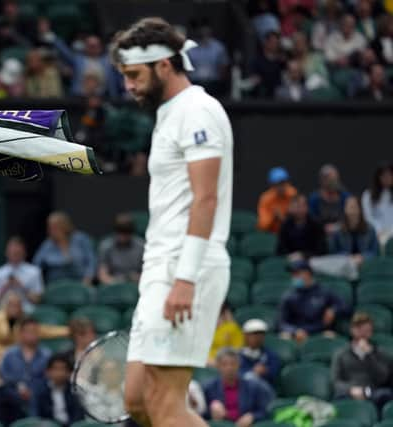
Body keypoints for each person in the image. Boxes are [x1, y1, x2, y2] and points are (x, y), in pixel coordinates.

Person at [111, 17, 234, 427]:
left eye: (133, 75)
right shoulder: (171, 113)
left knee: (165, 404)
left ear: (164, 65)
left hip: (185, 268)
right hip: (159, 268)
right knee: (138, 399)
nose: (127, 86)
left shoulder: (198, 111)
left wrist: (185, 278)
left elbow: (207, 198)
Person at [331, 312, 393, 409]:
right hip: (350, 391)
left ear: (371, 332)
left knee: (385, 395)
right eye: (359, 329)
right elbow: (336, 381)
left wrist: (369, 355)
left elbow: (383, 378)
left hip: (373, 392)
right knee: (339, 397)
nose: (363, 333)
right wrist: (351, 390)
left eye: (367, 330)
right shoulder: (341, 354)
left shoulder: (380, 353)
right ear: (352, 330)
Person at [279, 259, 349, 343]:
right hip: (298, 335)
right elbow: (281, 323)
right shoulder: (289, 296)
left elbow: (346, 307)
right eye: (293, 274)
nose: (294, 277)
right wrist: (294, 331)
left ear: (307, 274)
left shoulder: (324, 292)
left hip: (320, 332)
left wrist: (334, 310)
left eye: (297, 274)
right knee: (284, 337)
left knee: (330, 335)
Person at [0, 291, 69, 357]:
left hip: (19, 357)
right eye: (12, 305)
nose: (16, 308)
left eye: (18, 305)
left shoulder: (24, 320)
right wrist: (6, 352)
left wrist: (68, 330)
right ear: (5, 305)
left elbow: (44, 330)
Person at [204, 348, 274, 427]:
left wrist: (252, 416)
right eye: (224, 364)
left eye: (233, 364)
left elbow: (265, 411)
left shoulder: (252, 386)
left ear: (239, 365)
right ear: (218, 366)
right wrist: (211, 411)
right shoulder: (210, 388)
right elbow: (202, 414)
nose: (229, 368)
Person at [33, 211, 96, 285]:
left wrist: (88, 279)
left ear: (65, 226)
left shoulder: (81, 239)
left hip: (81, 282)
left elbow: (92, 261)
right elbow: (36, 266)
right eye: (50, 227)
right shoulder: (47, 244)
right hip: (55, 284)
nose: (51, 230)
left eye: (55, 227)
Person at [0, 317, 52, 405]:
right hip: (13, 399)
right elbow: (3, 377)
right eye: (29, 331)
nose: (32, 334)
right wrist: (19, 388)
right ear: (20, 333)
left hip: (40, 399)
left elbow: (49, 380)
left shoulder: (47, 355)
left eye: (35, 331)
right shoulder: (9, 355)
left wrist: (33, 391)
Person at [0, 236, 44, 312]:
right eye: (12, 251)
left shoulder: (34, 271)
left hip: (26, 311)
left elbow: (37, 300)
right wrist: (6, 286)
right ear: (6, 252)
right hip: (3, 311)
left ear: (24, 252)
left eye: (17, 252)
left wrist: (21, 286)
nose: (14, 253)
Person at [32, 353, 85, 425]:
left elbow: (78, 416)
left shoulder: (75, 391)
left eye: (63, 369)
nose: (59, 373)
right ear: (47, 372)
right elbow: (36, 417)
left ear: (69, 373)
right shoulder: (40, 391)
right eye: (55, 369)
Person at [328, 196, 380, 264]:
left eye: (354, 207)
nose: (352, 211)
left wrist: (362, 257)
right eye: (350, 207)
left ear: (360, 209)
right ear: (345, 209)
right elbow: (333, 252)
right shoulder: (338, 230)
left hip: (365, 264)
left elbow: (375, 252)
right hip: (344, 264)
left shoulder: (370, 229)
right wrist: (348, 257)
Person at [97, 213, 145, 285]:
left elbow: (148, 272)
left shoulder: (141, 246)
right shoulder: (106, 246)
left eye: (126, 231)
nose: (123, 236)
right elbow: (102, 275)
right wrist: (117, 282)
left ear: (131, 231)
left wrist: (137, 278)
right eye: (120, 231)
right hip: (113, 283)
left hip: (137, 283)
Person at [277, 194, 327, 259]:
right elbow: (280, 250)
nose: (299, 209)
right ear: (290, 208)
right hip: (291, 260)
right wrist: (290, 256)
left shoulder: (316, 224)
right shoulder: (285, 225)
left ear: (307, 207)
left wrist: (304, 255)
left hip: (313, 260)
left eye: (302, 206)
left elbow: (322, 250)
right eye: (296, 206)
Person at [186, 23, 229, 96]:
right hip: (194, 83)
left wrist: (221, 83)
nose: (204, 34)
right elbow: (186, 69)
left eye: (206, 32)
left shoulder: (218, 47)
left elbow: (224, 67)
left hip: (213, 83)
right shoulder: (189, 47)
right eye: (201, 32)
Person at [309, 164, 352, 234]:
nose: (334, 182)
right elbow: (312, 220)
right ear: (322, 180)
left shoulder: (346, 197)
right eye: (331, 180)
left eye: (336, 179)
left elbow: (351, 217)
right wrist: (323, 228)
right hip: (320, 234)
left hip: (343, 232)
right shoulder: (314, 199)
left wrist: (338, 227)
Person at [239, 319, 280, 385]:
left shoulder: (271, 355)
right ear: (245, 336)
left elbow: (274, 374)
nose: (257, 338)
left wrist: (266, 371)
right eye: (253, 334)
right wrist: (252, 372)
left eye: (261, 334)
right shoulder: (237, 356)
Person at [257, 167, 298, 233]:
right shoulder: (265, 199)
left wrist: (285, 216)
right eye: (278, 184)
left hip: (290, 233)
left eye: (284, 183)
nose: (281, 186)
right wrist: (273, 216)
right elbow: (262, 226)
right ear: (272, 185)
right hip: (271, 233)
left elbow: (299, 221)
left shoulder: (292, 194)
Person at [362, 163, 393, 246]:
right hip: (375, 234)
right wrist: (378, 230)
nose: (387, 178)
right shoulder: (368, 195)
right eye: (384, 176)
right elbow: (368, 217)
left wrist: (390, 232)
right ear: (378, 177)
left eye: (390, 175)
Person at [250, 31, 285, 98]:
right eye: (272, 42)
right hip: (261, 96)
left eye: (276, 43)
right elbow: (253, 78)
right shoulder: (257, 61)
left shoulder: (281, 62)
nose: (275, 45)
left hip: (278, 97)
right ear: (266, 42)